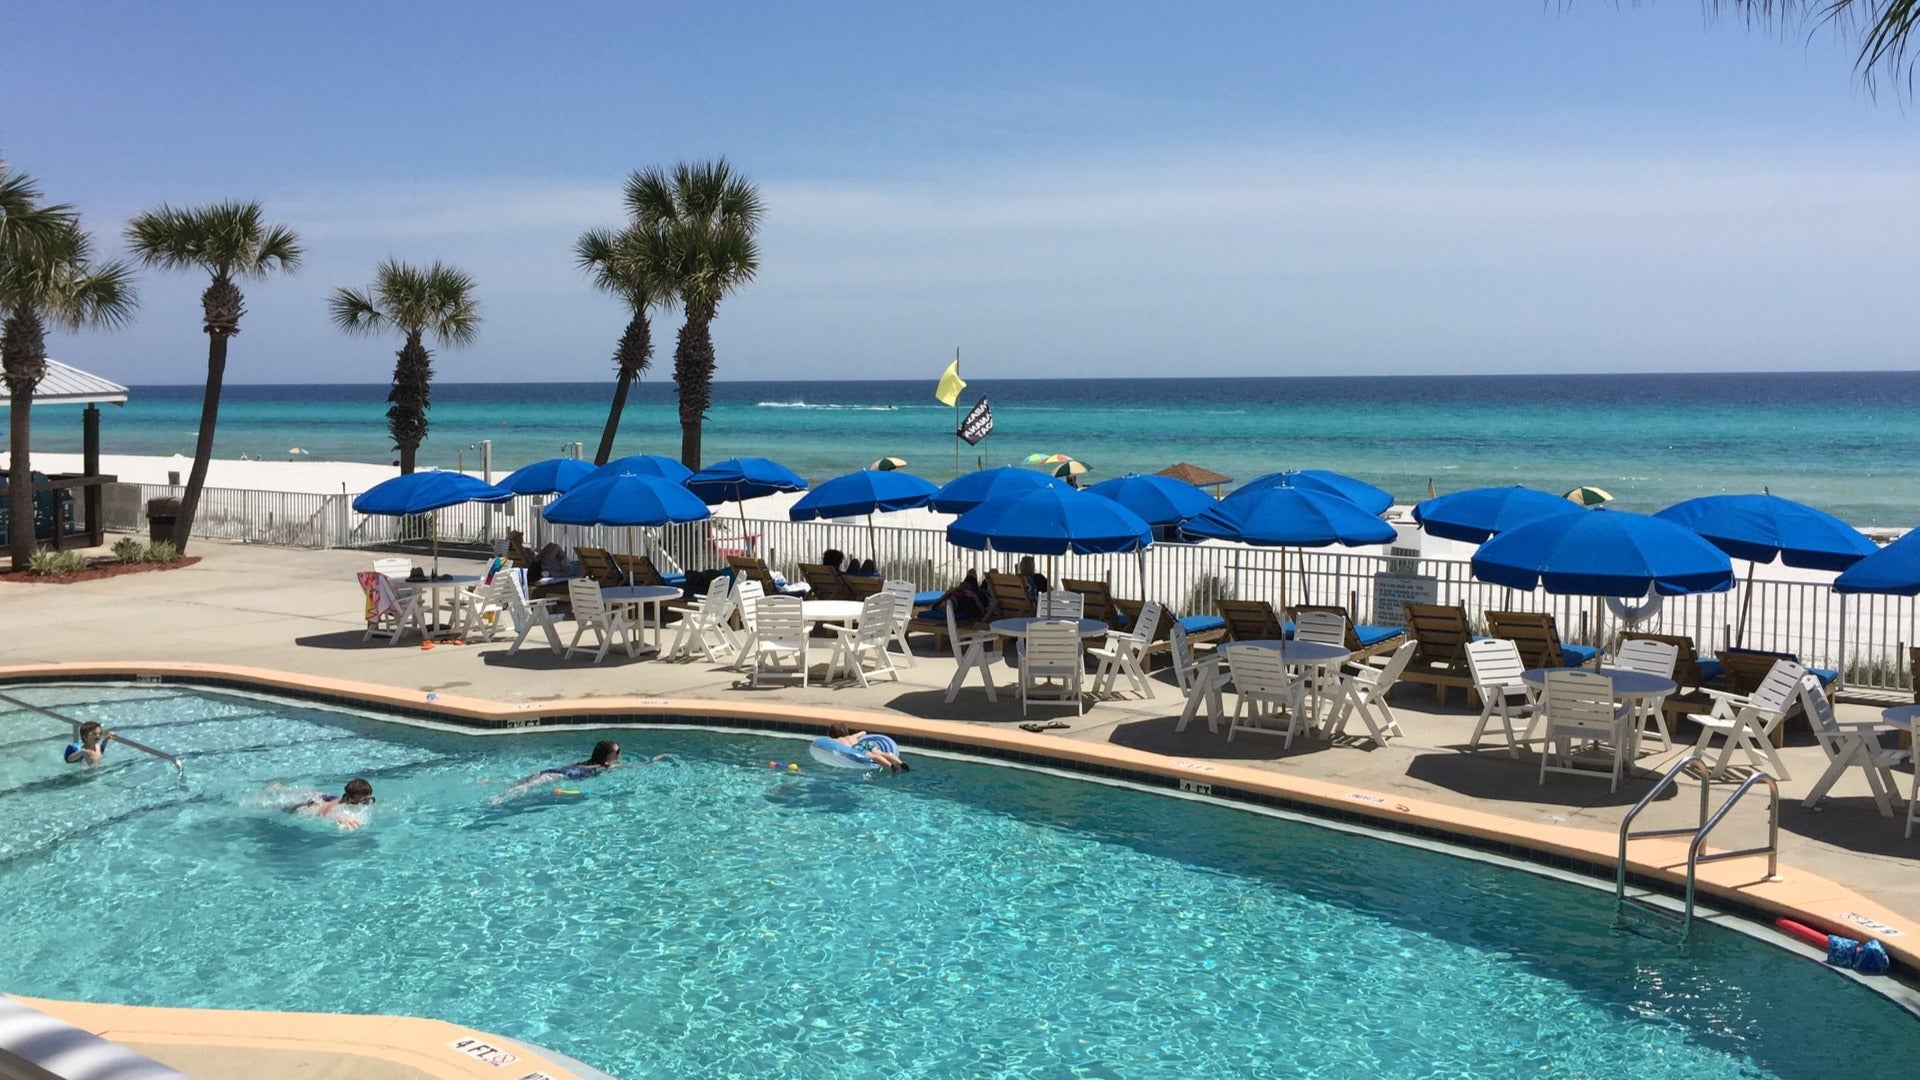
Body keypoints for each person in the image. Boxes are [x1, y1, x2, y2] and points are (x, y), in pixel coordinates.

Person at [500, 739, 623, 798]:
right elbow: (604, 768)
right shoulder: (599, 767)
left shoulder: (588, 763)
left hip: (550, 771)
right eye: (617, 751)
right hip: (555, 776)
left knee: (517, 784)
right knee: (523, 788)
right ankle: (499, 798)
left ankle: (492, 784)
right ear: (609, 756)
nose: (619, 754)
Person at [293, 778, 376, 830]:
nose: (366, 803)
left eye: (368, 800)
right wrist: (340, 819)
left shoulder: (350, 801)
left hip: (328, 797)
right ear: (351, 798)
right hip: (311, 805)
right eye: (362, 800)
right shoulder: (339, 806)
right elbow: (329, 814)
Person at [828, 722, 908, 772]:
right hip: (864, 743)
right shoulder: (852, 736)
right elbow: (864, 733)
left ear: (832, 735)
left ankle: (890, 766)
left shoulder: (836, 740)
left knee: (874, 756)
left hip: (855, 748)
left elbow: (828, 743)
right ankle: (900, 762)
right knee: (881, 753)